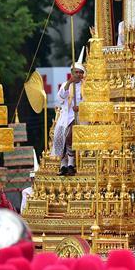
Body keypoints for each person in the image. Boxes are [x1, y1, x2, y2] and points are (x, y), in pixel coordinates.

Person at [52, 48, 85, 177]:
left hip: (79, 116)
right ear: (72, 73)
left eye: (80, 72)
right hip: (65, 116)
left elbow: (88, 101)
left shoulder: (85, 86)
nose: (78, 75)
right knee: (59, 138)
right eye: (76, 72)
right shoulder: (66, 84)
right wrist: (68, 84)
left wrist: (80, 107)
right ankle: (63, 165)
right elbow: (60, 99)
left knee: (70, 136)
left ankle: (71, 164)